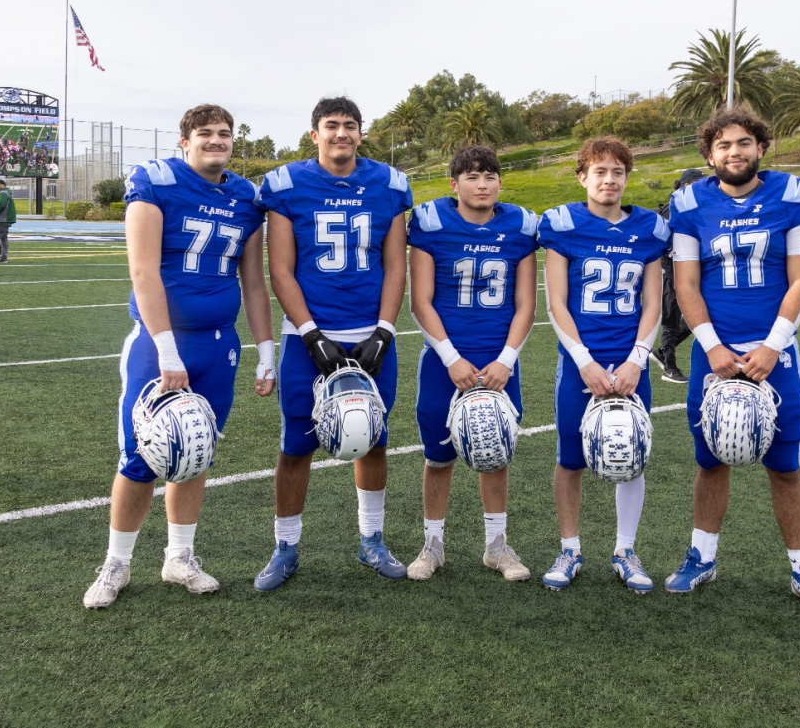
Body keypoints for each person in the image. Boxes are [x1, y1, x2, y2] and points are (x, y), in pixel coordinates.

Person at [83, 104, 277, 609]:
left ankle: (179, 557)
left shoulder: (244, 197)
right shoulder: (157, 180)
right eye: (206, 133)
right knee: (140, 456)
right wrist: (168, 351)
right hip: (159, 345)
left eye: (225, 134)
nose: (217, 140)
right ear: (185, 142)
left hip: (219, 345)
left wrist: (265, 349)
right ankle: (117, 562)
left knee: (194, 451)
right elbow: (143, 273)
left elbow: (254, 282)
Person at [664, 105, 800, 615]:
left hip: (773, 351)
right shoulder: (689, 202)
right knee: (710, 459)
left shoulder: (792, 195)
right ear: (708, 154)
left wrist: (773, 344)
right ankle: (703, 556)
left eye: (743, 143)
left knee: (784, 466)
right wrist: (712, 346)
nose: (733, 152)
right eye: (723, 145)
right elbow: (686, 284)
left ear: (760, 146)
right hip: (712, 352)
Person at [255, 97, 412, 590]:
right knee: (295, 446)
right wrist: (309, 333)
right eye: (331, 126)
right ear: (313, 134)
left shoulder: (389, 184)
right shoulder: (286, 184)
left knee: (373, 440)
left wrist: (385, 329)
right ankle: (285, 546)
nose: (340, 133)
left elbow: (394, 264)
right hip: (309, 333)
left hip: (370, 332)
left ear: (361, 134)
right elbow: (279, 268)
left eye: (349, 126)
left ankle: (372, 539)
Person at [536, 136, 668, 592]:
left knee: (632, 455)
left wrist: (637, 360)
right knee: (570, 458)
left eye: (617, 172)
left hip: (630, 363)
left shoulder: (649, 228)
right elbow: (555, 302)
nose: (609, 180)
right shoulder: (562, 224)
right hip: (580, 362)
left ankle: (625, 550)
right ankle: (570, 547)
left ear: (627, 178)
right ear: (582, 177)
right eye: (600, 172)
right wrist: (584, 362)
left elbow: (653, 304)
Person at [405, 145, 538, 582]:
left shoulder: (520, 226)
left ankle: (497, 547)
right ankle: (432, 545)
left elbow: (525, 306)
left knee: (495, 453)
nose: (482, 185)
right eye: (472, 177)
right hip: (446, 361)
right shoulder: (431, 222)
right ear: (454, 183)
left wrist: (506, 360)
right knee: (438, 457)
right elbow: (420, 301)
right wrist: (450, 358)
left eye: (489, 176)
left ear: (501, 182)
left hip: (498, 361)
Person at [650, 168, 706, 383]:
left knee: (699, 316)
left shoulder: (695, 208)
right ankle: (669, 367)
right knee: (672, 318)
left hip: (691, 269)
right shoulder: (673, 209)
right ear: (685, 185)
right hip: (672, 269)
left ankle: (663, 352)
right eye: (697, 184)